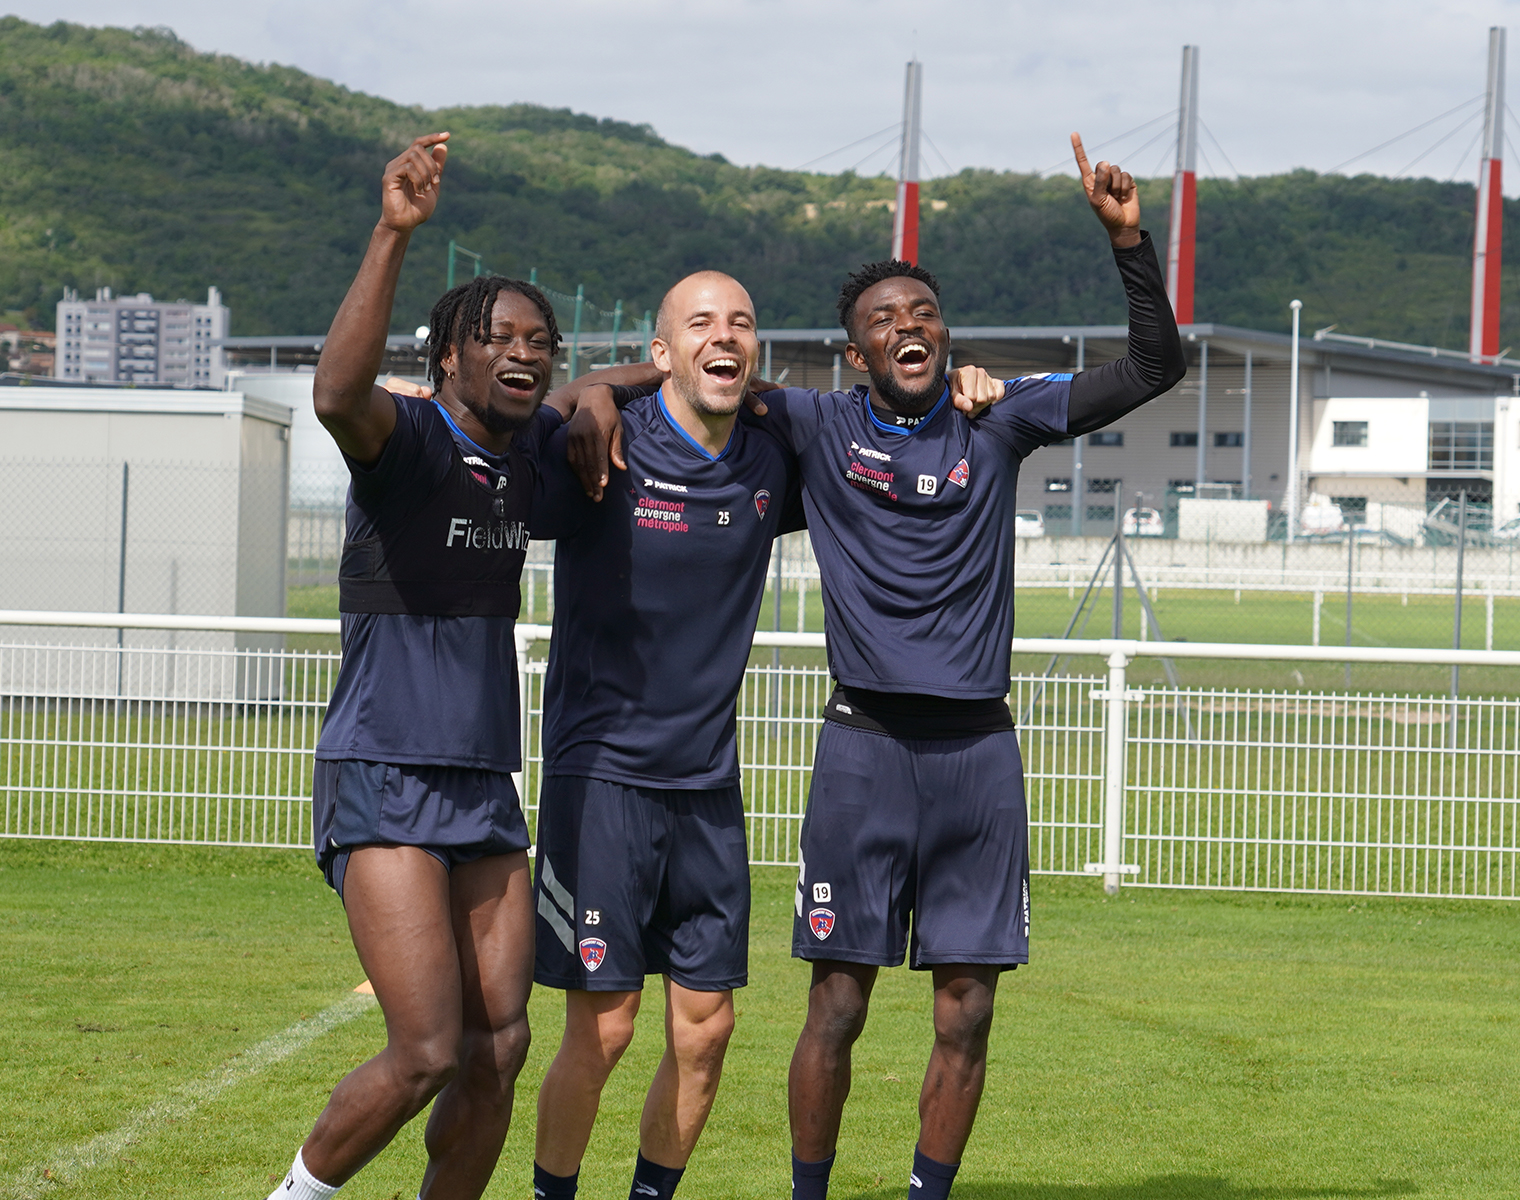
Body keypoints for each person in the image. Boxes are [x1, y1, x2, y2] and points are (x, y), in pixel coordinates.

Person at [565, 131, 1183, 1200]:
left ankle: (923, 1192)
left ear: (945, 334)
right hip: (863, 751)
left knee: (967, 1010)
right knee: (837, 1004)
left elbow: (1153, 368)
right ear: (853, 354)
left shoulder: (1002, 418)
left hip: (976, 753)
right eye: (881, 321)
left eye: (922, 314)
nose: (906, 328)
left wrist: (1129, 242)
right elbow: (695, 376)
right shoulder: (814, 420)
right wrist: (589, 393)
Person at [528, 272, 1004, 1200]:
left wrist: (965, 392)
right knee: (608, 1027)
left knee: (706, 1033)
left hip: (707, 786)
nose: (726, 335)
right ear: (661, 353)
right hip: (602, 780)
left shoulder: (770, 460)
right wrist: (586, 391)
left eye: (741, 323)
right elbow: (538, 421)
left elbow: (881, 447)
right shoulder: (602, 442)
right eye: (701, 323)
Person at [265, 132, 639, 1200]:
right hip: (382, 773)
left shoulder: (526, 452)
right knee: (427, 1049)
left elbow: (600, 385)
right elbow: (337, 394)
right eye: (503, 338)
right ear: (450, 358)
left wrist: (620, 380)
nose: (529, 352)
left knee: (500, 1046)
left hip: (482, 786)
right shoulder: (409, 441)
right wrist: (394, 231)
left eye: (543, 341)